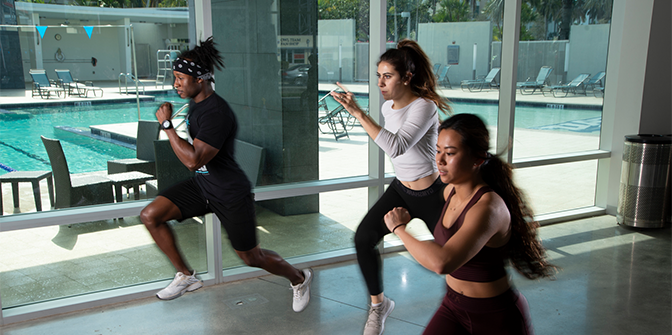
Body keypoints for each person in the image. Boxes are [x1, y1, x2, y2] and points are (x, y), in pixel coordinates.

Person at [140, 37, 312, 313]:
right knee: (151, 215)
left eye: (180, 78)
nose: (175, 84)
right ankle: (186, 275)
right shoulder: (197, 104)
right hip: (204, 186)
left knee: (251, 257)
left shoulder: (216, 113)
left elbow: (194, 161)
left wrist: (168, 126)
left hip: (230, 193)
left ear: (200, 79)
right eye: (175, 77)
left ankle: (299, 278)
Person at [383, 113, 556, 334]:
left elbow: (442, 263)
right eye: (437, 150)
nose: (440, 160)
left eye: (450, 153)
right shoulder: (450, 192)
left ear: (477, 159)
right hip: (452, 307)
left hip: (496, 318)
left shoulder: (488, 208)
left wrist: (399, 229)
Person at [331, 39, 452, 335]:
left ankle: (468, 303)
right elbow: (394, 146)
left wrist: (358, 113)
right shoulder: (388, 108)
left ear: (407, 77)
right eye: (378, 76)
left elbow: (396, 146)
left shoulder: (424, 107)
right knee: (363, 238)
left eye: (387, 76)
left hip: (431, 193)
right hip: (401, 190)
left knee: (453, 258)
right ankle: (379, 305)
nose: (380, 83)